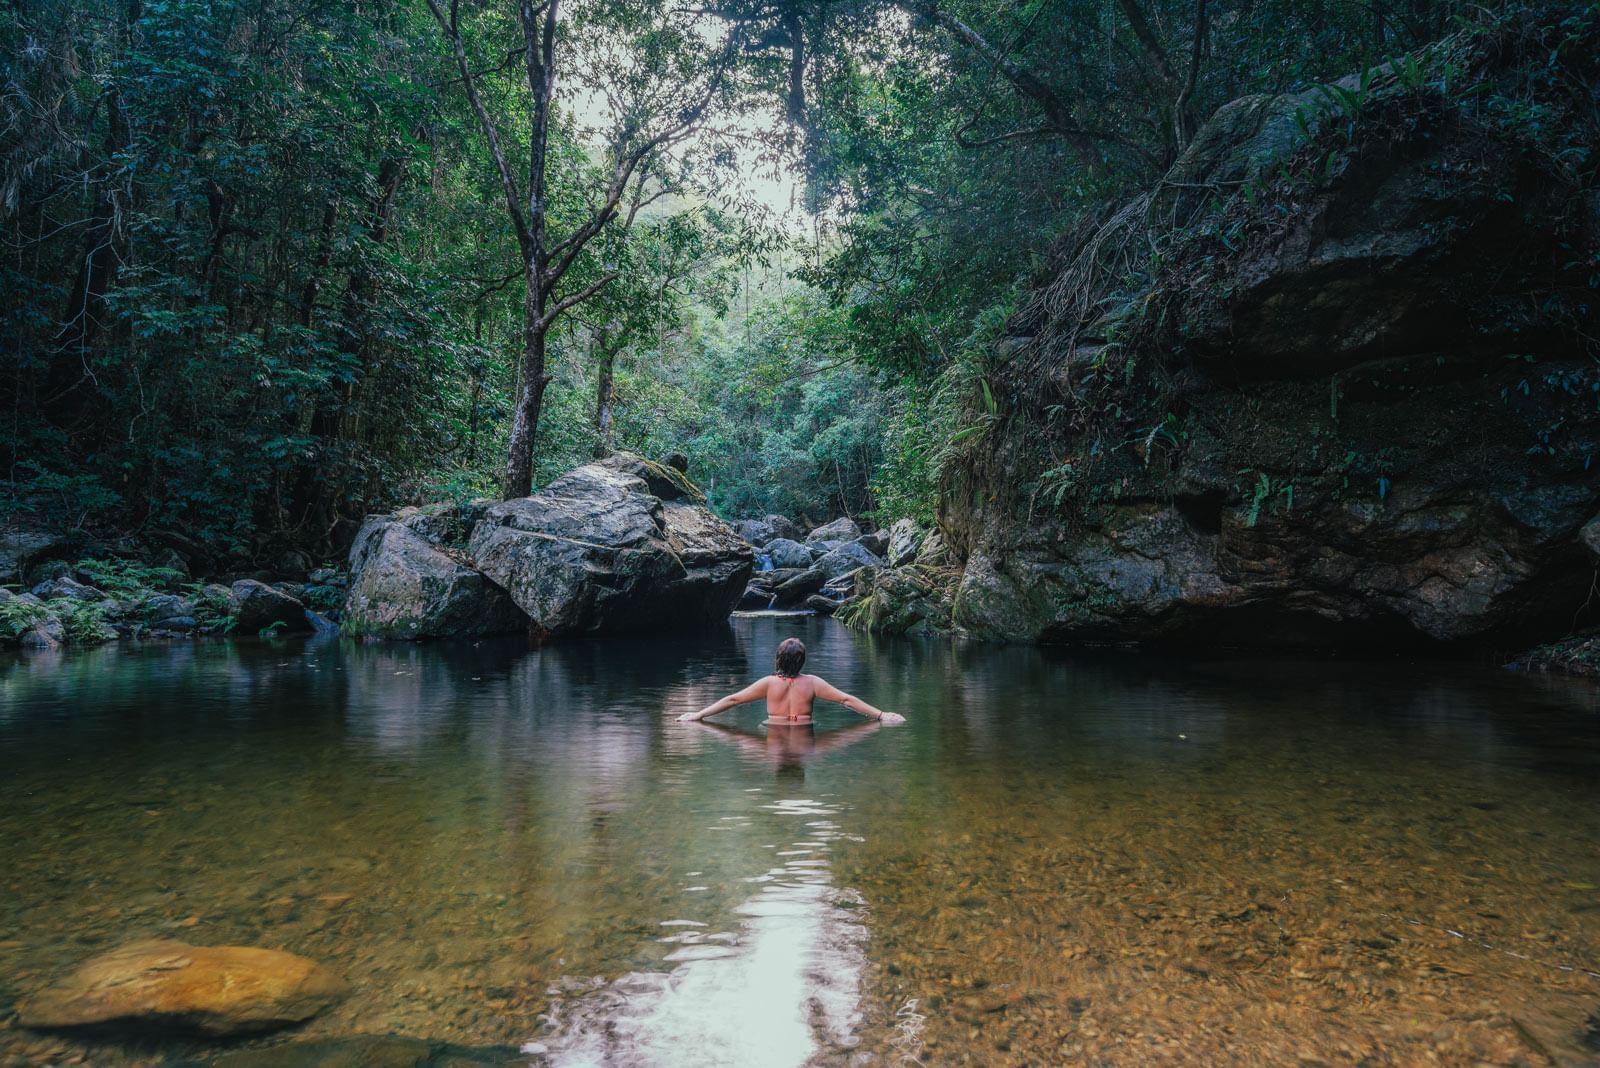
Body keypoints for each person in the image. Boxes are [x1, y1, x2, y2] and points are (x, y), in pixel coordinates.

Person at [677, 637, 906, 725]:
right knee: (842, 738)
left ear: (777, 658)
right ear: (802, 661)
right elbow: (846, 700)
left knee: (738, 740)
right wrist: (880, 714)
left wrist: (698, 714)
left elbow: (733, 699)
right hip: (805, 733)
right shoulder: (813, 683)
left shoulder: (768, 683)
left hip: (774, 731)